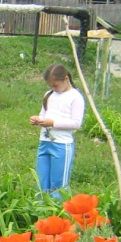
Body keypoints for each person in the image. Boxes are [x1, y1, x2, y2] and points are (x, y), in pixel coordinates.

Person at [30, 64, 85, 194]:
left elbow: (76, 123)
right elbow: (43, 114)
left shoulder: (75, 97)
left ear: (66, 79)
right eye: (50, 86)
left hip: (62, 144)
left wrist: (53, 123)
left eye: (56, 85)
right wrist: (37, 119)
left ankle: (57, 210)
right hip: (45, 142)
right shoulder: (49, 95)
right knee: (41, 180)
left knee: (58, 184)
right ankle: (40, 208)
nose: (53, 88)